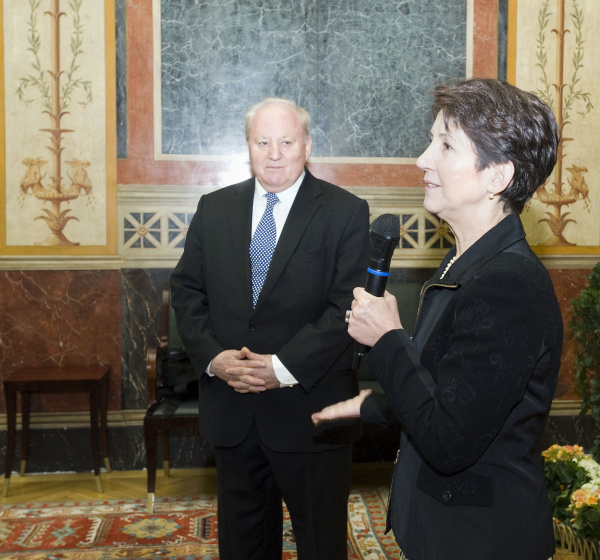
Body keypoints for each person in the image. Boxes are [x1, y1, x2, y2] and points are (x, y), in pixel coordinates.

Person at [312, 78, 563, 560]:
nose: (423, 159)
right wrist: (372, 404)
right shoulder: (463, 264)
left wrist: (387, 339)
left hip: (480, 540)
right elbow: (449, 388)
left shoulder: (509, 284)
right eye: (431, 141)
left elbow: (450, 441)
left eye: (445, 145)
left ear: (498, 176)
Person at [170, 97, 370, 560]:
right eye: (263, 141)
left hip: (312, 414)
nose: (274, 153)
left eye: (286, 141)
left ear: (307, 145)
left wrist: (282, 367)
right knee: (243, 547)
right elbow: (186, 291)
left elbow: (348, 305)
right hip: (233, 412)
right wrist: (214, 358)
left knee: (321, 545)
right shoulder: (214, 207)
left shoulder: (345, 212)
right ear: (248, 146)